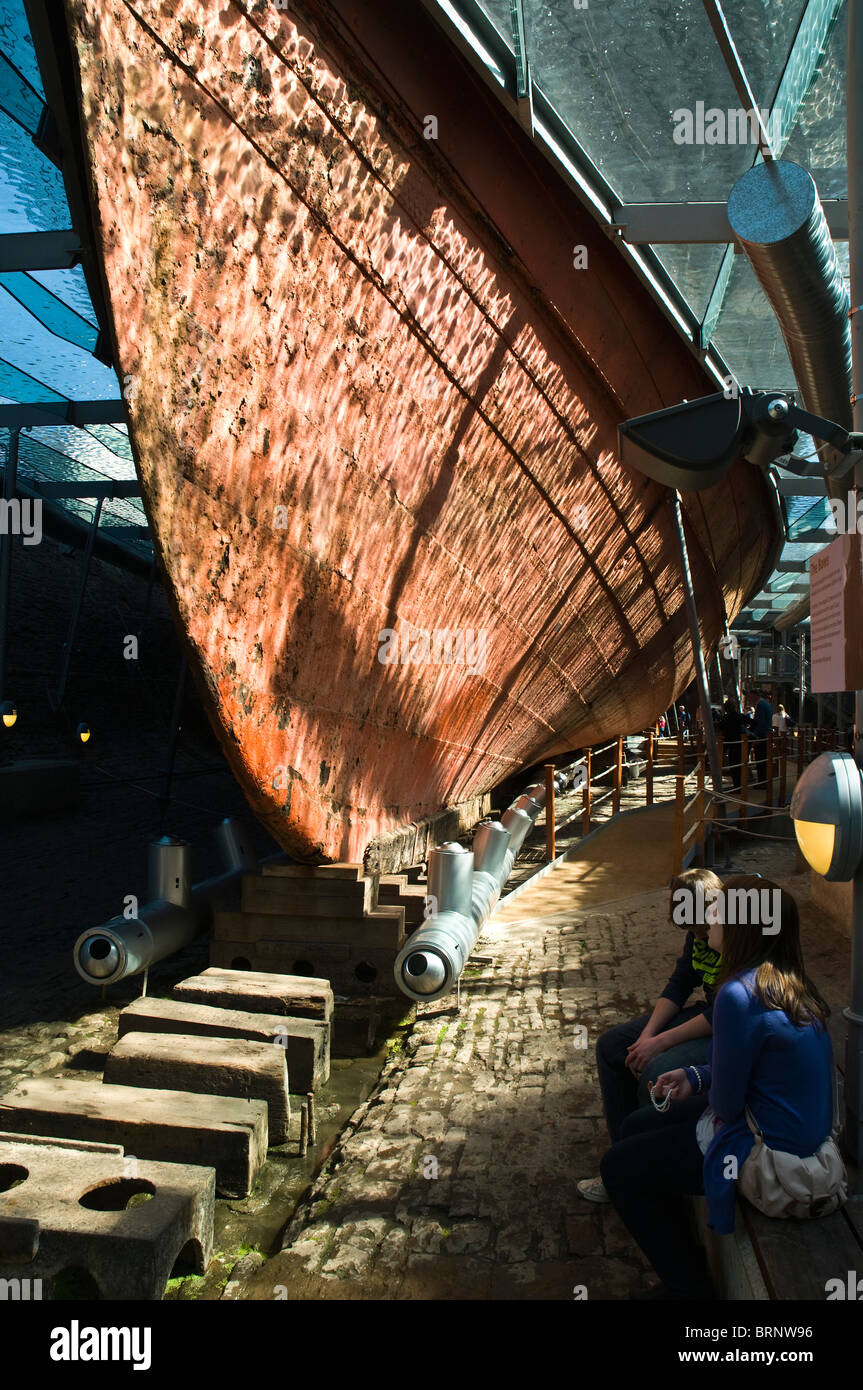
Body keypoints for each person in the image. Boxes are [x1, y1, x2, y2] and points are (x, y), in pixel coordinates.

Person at [599, 877, 834, 1300]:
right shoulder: (786, 980)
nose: (709, 920)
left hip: (767, 1151)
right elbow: (750, 1072)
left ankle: (687, 1288)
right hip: (795, 1134)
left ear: (743, 927)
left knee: (618, 1167)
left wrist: (705, 1083)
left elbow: (725, 1105)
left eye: (718, 912)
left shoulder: (735, 995)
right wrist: (696, 1077)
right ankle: (681, 1241)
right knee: (636, 1126)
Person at [576, 868, 722, 1204]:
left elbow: (727, 1012)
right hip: (707, 1013)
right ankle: (624, 1155)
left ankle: (646, 1162)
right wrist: (648, 1034)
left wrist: (660, 1043)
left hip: (723, 1026)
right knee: (615, 1046)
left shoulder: (731, 933)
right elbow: (681, 982)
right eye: (688, 927)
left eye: (700, 926)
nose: (696, 934)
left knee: (656, 1067)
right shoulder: (700, 931)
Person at [720, 696, 743, 792]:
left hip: (732, 743)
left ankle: (738, 787)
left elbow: (721, 726)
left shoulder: (727, 717)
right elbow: (753, 723)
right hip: (740, 743)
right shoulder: (739, 716)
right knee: (738, 766)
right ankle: (739, 786)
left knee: (734, 766)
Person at [751, 689, 773, 785]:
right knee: (763, 760)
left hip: (762, 736)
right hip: (766, 734)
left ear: (755, 695)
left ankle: (762, 782)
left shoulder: (760, 705)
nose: (749, 698)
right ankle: (763, 781)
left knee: (760, 760)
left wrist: (756, 737)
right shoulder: (765, 704)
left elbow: (760, 723)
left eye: (750, 696)